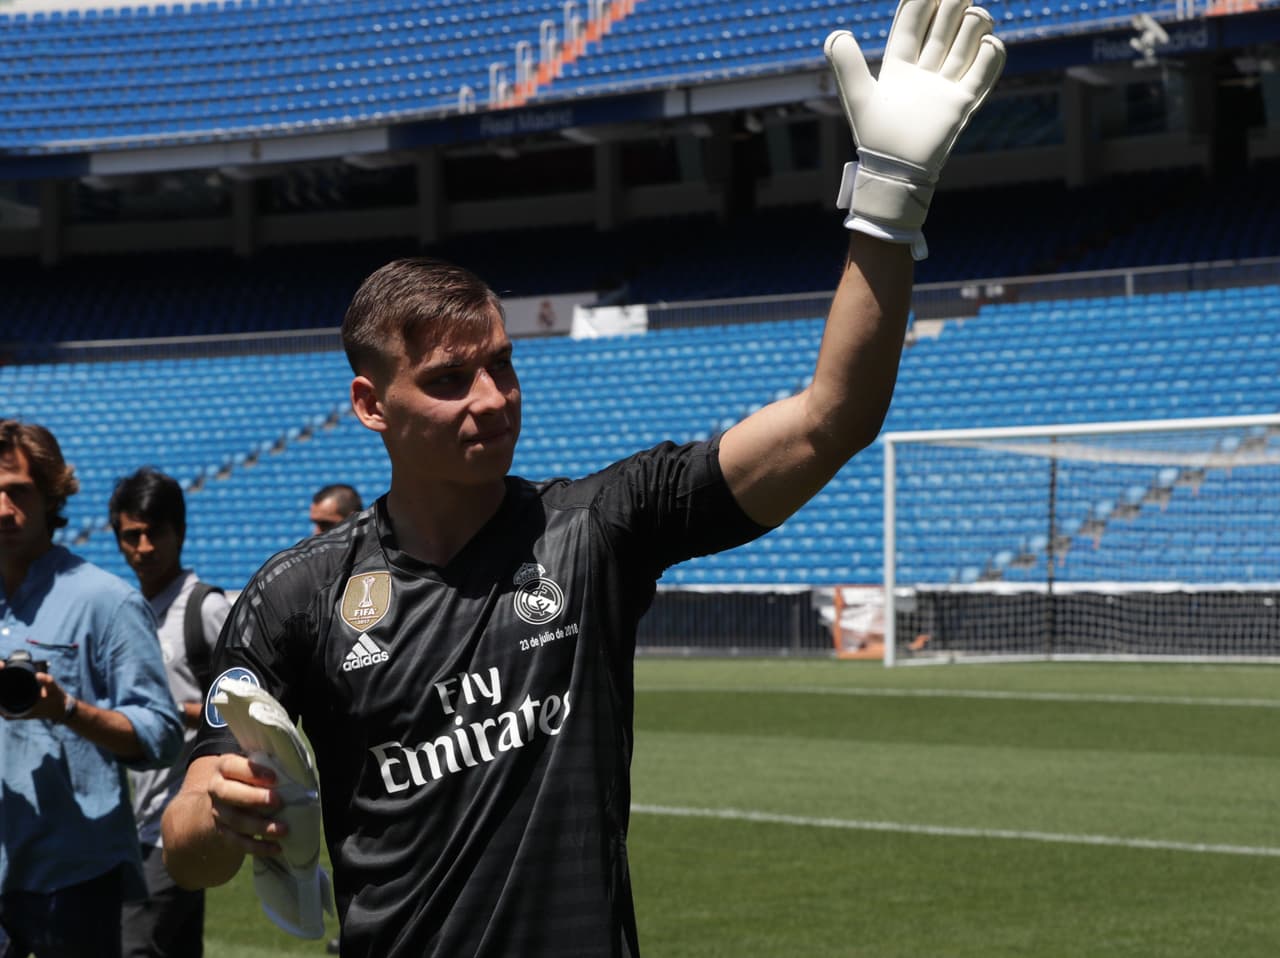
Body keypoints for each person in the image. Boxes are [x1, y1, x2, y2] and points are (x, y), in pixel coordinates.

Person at [161, 3, 1005, 955]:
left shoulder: (597, 527)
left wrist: (889, 201)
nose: (491, 400)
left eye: (502, 366)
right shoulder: (297, 595)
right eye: (447, 381)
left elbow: (830, 420)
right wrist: (215, 808)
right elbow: (189, 849)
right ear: (369, 403)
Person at [0, 421, 184, 958]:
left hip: (71, 879)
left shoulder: (106, 601)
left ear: (51, 493)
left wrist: (67, 710)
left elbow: (162, 734)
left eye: (18, 490)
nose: (3, 508)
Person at [109, 468, 233, 958]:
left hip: (185, 816)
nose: (142, 548)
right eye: (130, 536)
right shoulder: (128, 611)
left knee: (132, 946)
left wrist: (179, 713)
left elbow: (253, 704)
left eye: (153, 532)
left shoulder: (205, 609)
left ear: (178, 532)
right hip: (137, 820)